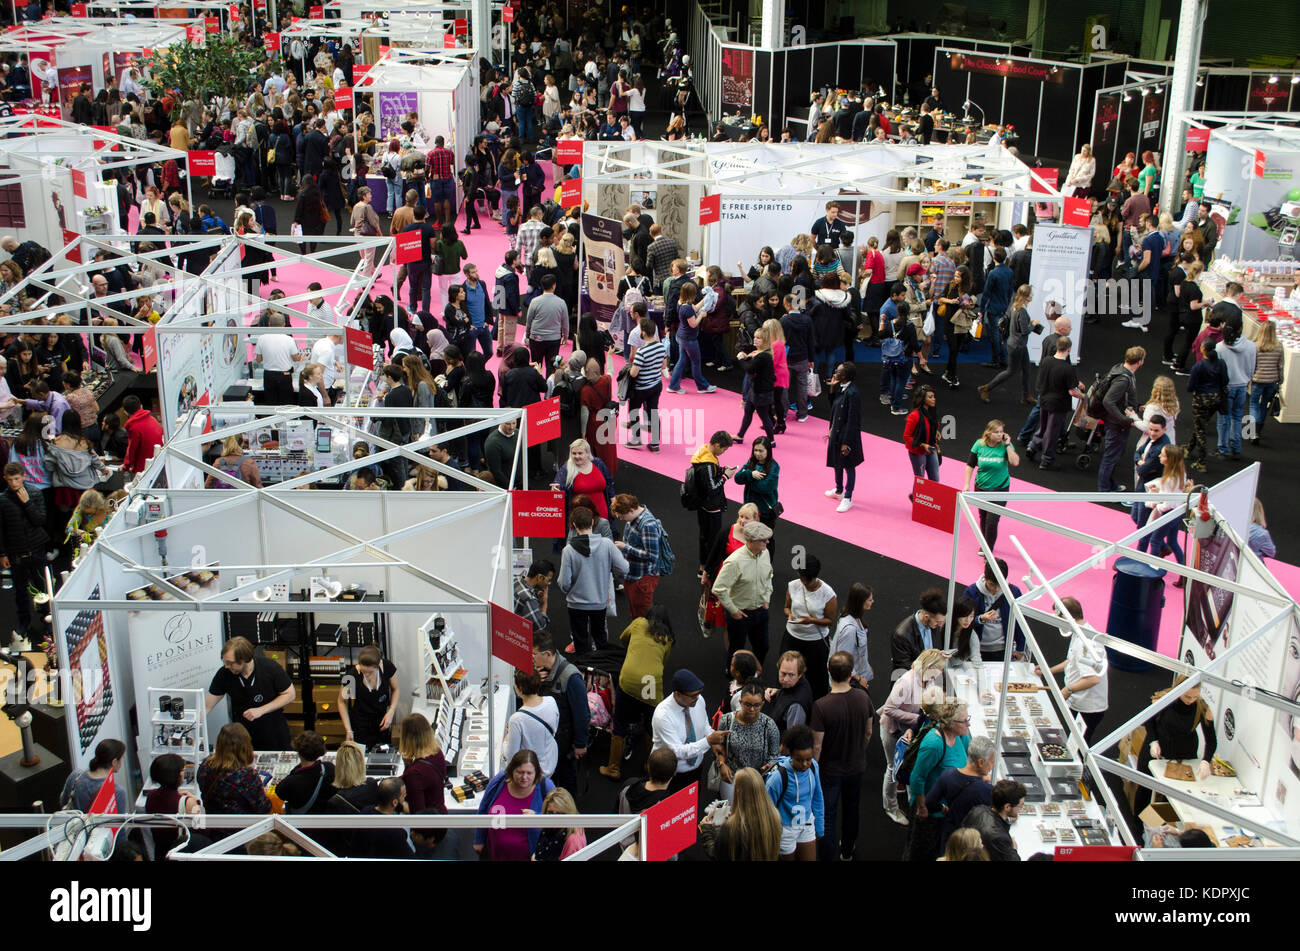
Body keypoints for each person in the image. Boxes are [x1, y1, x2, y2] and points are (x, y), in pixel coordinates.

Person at [812, 651, 876, 861]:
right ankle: (847, 851)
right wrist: (860, 751)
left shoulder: (822, 706)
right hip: (856, 766)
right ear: (851, 674)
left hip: (830, 770)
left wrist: (813, 769)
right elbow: (868, 732)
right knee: (851, 808)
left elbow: (817, 746)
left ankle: (827, 854)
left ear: (828, 671)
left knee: (827, 814)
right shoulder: (863, 698)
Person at [601, 605, 675, 780]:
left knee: (620, 724)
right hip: (651, 683)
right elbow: (663, 661)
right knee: (651, 726)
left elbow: (622, 639)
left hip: (628, 680)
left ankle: (613, 768)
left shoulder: (638, 623)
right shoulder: (667, 637)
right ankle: (649, 766)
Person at [1130, 676, 1216, 817]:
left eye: (1195, 697)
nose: (1190, 701)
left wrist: (1206, 760)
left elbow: (1211, 740)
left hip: (1182, 754)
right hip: (1157, 748)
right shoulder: (1163, 699)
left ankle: (1161, 827)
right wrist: (1153, 741)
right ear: (1178, 689)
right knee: (1145, 787)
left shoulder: (1202, 707)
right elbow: (1148, 721)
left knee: (1171, 796)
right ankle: (1138, 827)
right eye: (1187, 696)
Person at [1035, 596, 1109, 742]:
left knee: (1078, 744)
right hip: (1079, 702)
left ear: (1064, 616)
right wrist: (1048, 671)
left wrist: (1068, 690)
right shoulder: (1079, 633)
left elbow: (1093, 678)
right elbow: (1071, 661)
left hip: (1088, 707)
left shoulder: (1085, 642)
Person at [906, 696, 971, 861]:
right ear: (949, 722)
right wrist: (922, 807)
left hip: (950, 810)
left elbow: (968, 761)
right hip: (931, 811)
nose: (968, 724)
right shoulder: (934, 743)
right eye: (964, 721)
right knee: (923, 852)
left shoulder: (961, 736)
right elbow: (917, 777)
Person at [205, 635, 295, 750]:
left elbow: (290, 694)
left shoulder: (270, 668)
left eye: (230, 663)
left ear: (244, 660)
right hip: (242, 736)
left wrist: (261, 710)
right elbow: (207, 705)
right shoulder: (224, 674)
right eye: (224, 662)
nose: (226, 666)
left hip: (273, 731)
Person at [559, 505, 628, 653]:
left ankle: (583, 672)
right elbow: (624, 568)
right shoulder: (607, 544)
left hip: (576, 604)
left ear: (574, 525)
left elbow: (563, 583)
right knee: (601, 641)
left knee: (580, 642)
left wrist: (570, 590)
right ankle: (601, 672)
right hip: (599, 602)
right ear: (592, 523)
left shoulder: (568, 550)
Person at [532, 633, 590, 794]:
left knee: (566, 784)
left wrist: (580, 743)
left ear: (548, 654)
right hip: (548, 741)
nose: (532, 658)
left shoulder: (570, 677)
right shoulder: (540, 671)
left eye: (534, 654)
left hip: (564, 744)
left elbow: (582, 714)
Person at [712, 520, 775, 669]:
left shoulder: (765, 553)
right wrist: (733, 611)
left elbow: (769, 577)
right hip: (741, 615)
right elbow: (718, 588)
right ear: (752, 541)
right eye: (763, 539)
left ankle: (753, 672)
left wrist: (766, 598)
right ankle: (732, 675)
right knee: (736, 650)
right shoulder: (734, 561)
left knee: (763, 647)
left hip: (761, 610)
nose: (768, 541)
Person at [709, 679, 780, 800]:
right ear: (740, 702)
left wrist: (769, 765)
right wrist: (721, 764)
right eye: (748, 704)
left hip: (757, 781)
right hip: (731, 779)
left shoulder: (769, 725)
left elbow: (774, 755)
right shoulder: (727, 720)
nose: (752, 709)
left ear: (762, 704)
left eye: (756, 705)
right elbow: (718, 745)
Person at [924, 735, 995, 852]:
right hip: (971, 844)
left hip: (949, 836)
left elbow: (930, 802)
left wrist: (944, 809)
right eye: (991, 762)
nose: (992, 767)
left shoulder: (948, 775)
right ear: (981, 762)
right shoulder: (986, 790)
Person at [781, 555, 837, 698]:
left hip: (815, 641)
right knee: (787, 670)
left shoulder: (827, 593)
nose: (803, 582)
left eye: (806, 579)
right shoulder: (793, 585)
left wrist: (812, 620)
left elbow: (830, 620)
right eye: (801, 577)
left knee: (816, 676)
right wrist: (790, 615)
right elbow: (786, 608)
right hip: (792, 636)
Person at [766, 723, 824, 861]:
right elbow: (766, 809)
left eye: (808, 759)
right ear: (791, 755)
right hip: (784, 830)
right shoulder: (777, 778)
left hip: (807, 824)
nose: (805, 764)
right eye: (799, 760)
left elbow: (817, 797)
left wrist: (820, 826)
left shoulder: (814, 767)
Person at [699, 766, 782, 861]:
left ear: (739, 792)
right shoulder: (775, 816)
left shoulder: (733, 827)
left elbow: (717, 854)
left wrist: (706, 830)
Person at [1026, 336, 1084, 471]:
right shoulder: (1068, 368)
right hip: (1058, 404)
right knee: (1052, 432)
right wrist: (1083, 396)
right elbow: (1072, 391)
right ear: (1069, 349)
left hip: (1044, 399)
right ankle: (1047, 460)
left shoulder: (1046, 361)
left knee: (1044, 426)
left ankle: (1033, 446)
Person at [962, 419, 1020, 550]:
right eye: (996, 432)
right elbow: (970, 465)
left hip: (1000, 489)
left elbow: (1015, 462)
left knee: (992, 521)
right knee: (983, 517)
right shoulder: (979, 445)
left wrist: (1008, 445)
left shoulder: (1005, 446)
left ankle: (988, 550)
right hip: (981, 488)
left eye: (1001, 432)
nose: (1000, 435)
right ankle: (985, 544)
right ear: (988, 433)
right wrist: (966, 484)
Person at [979, 284, 1040, 404]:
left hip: (1016, 344)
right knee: (1011, 371)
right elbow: (1024, 331)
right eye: (1031, 294)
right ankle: (986, 388)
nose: (1032, 295)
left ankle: (1026, 395)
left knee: (1026, 370)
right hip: (1018, 345)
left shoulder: (1014, 306)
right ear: (1026, 296)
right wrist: (1033, 324)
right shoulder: (1021, 311)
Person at [197, 723, 272, 815]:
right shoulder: (247, 775)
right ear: (246, 746)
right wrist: (262, 791)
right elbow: (264, 808)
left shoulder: (205, 766)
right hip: (243, 827)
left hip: (212, 824)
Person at [610, 493, 664, 618]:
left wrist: (625, 548)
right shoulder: (634, 518)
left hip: (642, 578)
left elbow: (652, 555)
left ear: (631, 510)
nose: (621, 519)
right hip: (632, 574)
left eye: (622, 516)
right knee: (635, 613)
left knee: (643, 619)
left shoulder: (647, 525)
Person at [689, 430, 736, 575]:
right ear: (716, 445)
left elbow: (707, 479)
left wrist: (720, 470)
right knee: (713, 539)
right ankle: (709, 569)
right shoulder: (708, 464)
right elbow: (713, 488)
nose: (723, 452)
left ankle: (703, 566)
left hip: (702, 504)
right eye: (724, 449)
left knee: (704, 536)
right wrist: (725, 476)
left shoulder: (703, 452)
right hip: (711, 506)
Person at [337, 643, 399, 748]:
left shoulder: (387, 667)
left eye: (370, 672)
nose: (366, 675)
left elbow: (396, 689)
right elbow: (341, 702)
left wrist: (391, 711)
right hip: (360, 725)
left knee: (382, 755)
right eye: (363, 671)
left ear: (379, 664)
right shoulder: (352, 676)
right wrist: (348, 729)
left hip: (381, 722)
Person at [963, 558, 1025, 661]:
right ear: (985, 578)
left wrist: (1020, 648)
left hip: (1003, 650)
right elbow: (961, 620)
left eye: (1000, 585)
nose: (996, 590)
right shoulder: (972, 592)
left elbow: (1021, 622)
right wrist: (980, 619)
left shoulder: (1013, 592)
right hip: (976, 650)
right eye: (992, 585)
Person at [504, 669, 560, 778]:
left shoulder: (517, 719)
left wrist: (506, 739)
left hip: (530, 771)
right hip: (551, 761)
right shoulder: (551, 701)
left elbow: (512, 757)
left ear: (519, 689)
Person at [825, 361, 863, 513]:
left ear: (846, 375)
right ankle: (839, 490)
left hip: (847, 436)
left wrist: (846, 443)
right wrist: (832, 388)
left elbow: (853, 420)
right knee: (836, 462)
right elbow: (833, 406)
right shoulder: (841, 388)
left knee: (849, 466)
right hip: (836, 433)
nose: (835, 372)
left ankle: (848, 497)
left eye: (838, 371)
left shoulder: (853, 393)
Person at [1216, 323, 1256, 461]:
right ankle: (1236, 448)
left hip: (1227, 387)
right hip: (1242, 386)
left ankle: (1223, 448)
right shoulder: (1251, 346)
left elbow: (1218, 370)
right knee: (1237, 417)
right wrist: (1246, 380)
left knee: (1223, 419)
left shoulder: (1220, 347)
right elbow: (1252, 366)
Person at [1185, 340, 1227, 473]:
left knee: (1200, 429)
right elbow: (1226, 380)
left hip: (1201, 401)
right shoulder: (1221, 363)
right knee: (1200, 425)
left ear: (1203, 349)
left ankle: (1201, 461)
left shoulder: (1198, 367)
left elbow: (1189, 387)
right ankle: (1188, 449)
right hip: (1216, 400)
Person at [61, 738, 129, 815]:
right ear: (114, 762)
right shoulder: (117, 792)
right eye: (122, 758)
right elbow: (118, 824)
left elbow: (64, 802)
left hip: (72, 825)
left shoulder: (75, 776)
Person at [275, 731, 337, 814]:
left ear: (298, 751)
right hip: (326, 820)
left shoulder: (291, 782)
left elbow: (279, 792)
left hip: (301, 824)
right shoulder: (329, 768)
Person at [891, 588, 947, 679]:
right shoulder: (902, 635)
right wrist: (929, 670)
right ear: (926, 617)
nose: (940, 625)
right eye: (937, 622)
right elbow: (904, 667)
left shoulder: (933, 625)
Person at [734, 436, 780, 543]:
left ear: (768, 451)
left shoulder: (774, 466)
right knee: (748, 538)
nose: (757, 453)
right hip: (749, 510)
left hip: (765, 512)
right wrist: (750, 474)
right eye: (755, 450)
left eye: (761, 450)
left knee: (765, 540)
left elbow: (766, 488)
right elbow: (737, 478)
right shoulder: (751, 462)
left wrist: (748, 480)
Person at [1248, 319, 1283, 446]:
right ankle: (1258, 431)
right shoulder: (1279, 346)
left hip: (1258, 380)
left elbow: (1252, 365)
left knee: (1253, 405)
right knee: (1264, 405)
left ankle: (1251, 433)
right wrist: (1280, 380)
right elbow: (1280, 366)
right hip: (1272, 380)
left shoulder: (1255, 346)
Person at [121, 395, 164, 475]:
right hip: (159, 460)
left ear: (126, 412)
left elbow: (132, 449)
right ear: (141, 406)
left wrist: (126, 466)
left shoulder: (134, 427)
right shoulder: (152, 419)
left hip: (144, 467)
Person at [514, 559, 555, 635]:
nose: (548, 584)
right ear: (540, 577)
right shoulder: (528, 598)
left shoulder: (516, 579)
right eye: (548, 580)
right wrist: (544, 603)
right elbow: (540, 627)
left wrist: (535, 597)